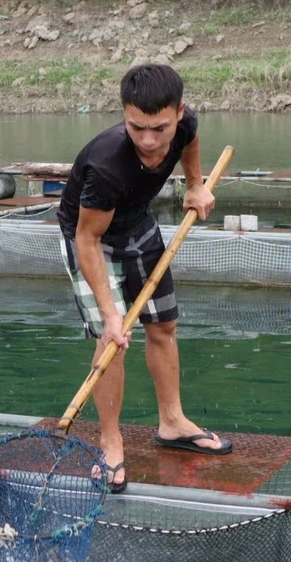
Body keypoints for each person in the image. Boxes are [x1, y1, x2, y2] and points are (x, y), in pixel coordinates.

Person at [55, 63, 233, 492]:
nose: (149, 141)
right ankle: (110, 441)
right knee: (111, 341)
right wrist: (109, 314)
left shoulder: (185, 124)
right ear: (124, 114)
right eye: (137, 128)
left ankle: (171, 422)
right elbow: (87, 240)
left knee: (163, 324)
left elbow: (189, 141)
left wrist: (194, 185)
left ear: (178, 112)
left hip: (138, 225)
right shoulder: (106, 167)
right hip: (91, 241)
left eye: (160, 128)